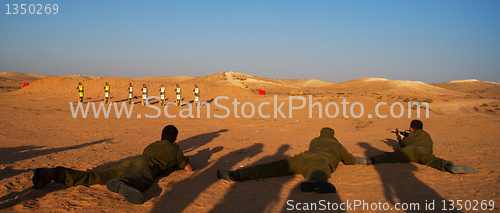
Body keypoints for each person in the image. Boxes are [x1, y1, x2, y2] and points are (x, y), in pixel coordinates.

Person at [32, 125, 193, 205]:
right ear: (176, 139)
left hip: (131, 161)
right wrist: (180, 161)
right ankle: (123, 183)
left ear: (160, 136)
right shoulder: (175, 151)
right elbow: (189, 170)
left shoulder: (151, 145)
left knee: (97, 177)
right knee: (143, 180)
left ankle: (54, 173)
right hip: (147, 167)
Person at [217, 127, 364, 194]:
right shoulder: (338, 145)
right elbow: (350, 160)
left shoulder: (315, 141)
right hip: (320, 161)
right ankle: (314, 183)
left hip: (301, 157)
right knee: (318, 171)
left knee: (274, 167)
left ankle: (237, 174)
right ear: (333, 135)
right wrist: (366, 161)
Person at [358, 120, 477, 174]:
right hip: (424, 152)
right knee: (434, 161)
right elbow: (430, 148)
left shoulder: (409, 137)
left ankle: (369, 160)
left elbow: (402, 147)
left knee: (390, 156)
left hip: (410, 151)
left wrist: (400, 138)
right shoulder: (427, 135)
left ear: (411, 128)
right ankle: (448, 166)